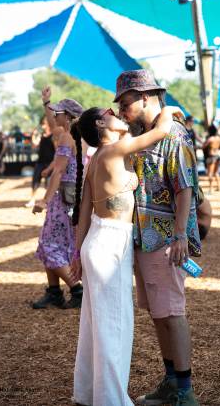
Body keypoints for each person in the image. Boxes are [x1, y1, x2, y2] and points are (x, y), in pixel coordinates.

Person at [70, 105, 183, 406]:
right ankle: (110, 400)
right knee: (114, 326)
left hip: (97, 241)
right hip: (109, 245)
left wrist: (78, 254)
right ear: (100, 123)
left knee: (96, 327)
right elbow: (160, 132)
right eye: (109, 111)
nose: (116, 111)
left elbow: (83, 212)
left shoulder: (97, 158)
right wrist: (169, 109)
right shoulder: (114, 150)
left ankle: (89, 394)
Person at [115, 69, 201, 406]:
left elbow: (185, 187)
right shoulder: (145, 132)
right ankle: (171, 382)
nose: (121, 109)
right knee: (158, 312)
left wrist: (180, 234)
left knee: (172, 312)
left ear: (147, 97)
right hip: (145, 238)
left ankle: (184, 391)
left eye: (126, 102)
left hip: (165, 239)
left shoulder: (173, 134)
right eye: (119, 104)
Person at [32, 92, 84, 309]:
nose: (55, 115)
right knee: (59, 245)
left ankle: (77, 290)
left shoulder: (66, 137)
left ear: (68, 117)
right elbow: (54, 124)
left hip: (61, 199)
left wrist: (44, 200)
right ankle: (54, 292)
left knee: (49, 244)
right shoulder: (82, 137)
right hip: (75, 199)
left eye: (59, 112)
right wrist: (46, 103)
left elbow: (60, 171)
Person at [25, 116, 56, 208]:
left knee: (49, 183)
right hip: (40, 162)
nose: (42, 126)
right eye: (42, 124)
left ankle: (49, 201)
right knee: (35, 181)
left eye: (44, 124)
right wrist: (33, 136)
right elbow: (34, 145)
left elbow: (57, 150)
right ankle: (32, 200)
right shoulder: (41, 135)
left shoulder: (54, 135)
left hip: (50, 163)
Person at [203, 124, 220, 194]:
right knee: (216, 172)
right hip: (218, 156)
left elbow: (204, 146)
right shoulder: (218, 139)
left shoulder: (210, 139)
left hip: (211, 156)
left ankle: (211, 188)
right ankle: (218, 186)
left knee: (210, 173)